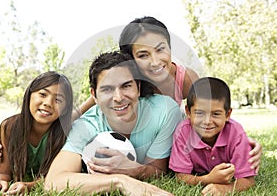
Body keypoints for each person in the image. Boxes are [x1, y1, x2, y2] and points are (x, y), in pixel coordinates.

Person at [73, 16, 262, 172]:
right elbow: (91, 104)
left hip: (177, 140)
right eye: (143, 55)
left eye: (160, 49)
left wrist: (242, 143)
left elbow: (211, 111)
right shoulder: (125, 85)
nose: (155, 61)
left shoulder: (185, 78)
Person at [44, 51, 181, 195]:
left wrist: (136, 170)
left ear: (138, 88)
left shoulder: (165, 111)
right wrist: (119, 181)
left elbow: (159, 171)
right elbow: (53, 181)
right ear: (94, 95)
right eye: (107, 89)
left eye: (126, 86)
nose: (118, 97)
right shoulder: (86, 126)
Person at [0, 71, 73, 195]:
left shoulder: (66, 134)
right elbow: (4, 173)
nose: (48, 103)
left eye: (58, 99)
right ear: (29, 95)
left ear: (65, 108)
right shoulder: (9, 127)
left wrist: (30, 186)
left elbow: (60, 177)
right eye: (42, 94)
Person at [169, 77, 257, 195]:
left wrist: (226, 189)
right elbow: (181, 177)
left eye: (215, 114)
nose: (207, 121)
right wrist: (208, 179)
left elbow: (248, 180)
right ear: (188, 112)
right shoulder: (182, 133)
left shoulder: (236, 133)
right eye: (199, 113)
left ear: (228, 114)